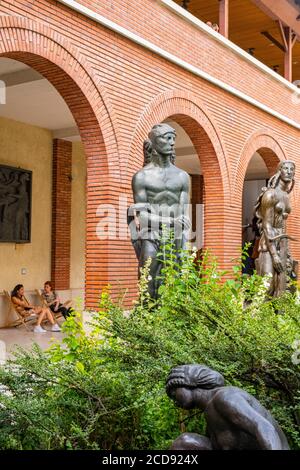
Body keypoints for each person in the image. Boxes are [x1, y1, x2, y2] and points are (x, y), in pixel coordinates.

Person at [129, 123, 191, 298]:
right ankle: (147, 319)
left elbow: (183, 214)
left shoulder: (182, 177)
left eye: (173, 139)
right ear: (155, 142)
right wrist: (170, 222)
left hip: (176, 236)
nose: (172, 143)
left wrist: (181, 236)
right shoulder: (141, 177)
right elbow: (143, 216)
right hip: (151, 235)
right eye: (167, 138)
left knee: (178, 284)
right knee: (148, 283)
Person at [166, 364, 289, 450]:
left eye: (174, 392)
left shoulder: (226, 397)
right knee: (184, 443)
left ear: (188, 383)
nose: (174, 399)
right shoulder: (210, 412)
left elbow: (264, 427)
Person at [254, 161, 296, 297]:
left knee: (283, 287)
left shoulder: (286, 196)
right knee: (266, 286)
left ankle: (274, 318)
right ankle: (251, 316)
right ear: (279, 171)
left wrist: (285, 251)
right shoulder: (270, 195)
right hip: (268, 244)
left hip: (282, 243)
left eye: (292, 169)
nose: (289, 171)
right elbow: (267, 226)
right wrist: (274, 255)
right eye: (285, 168)